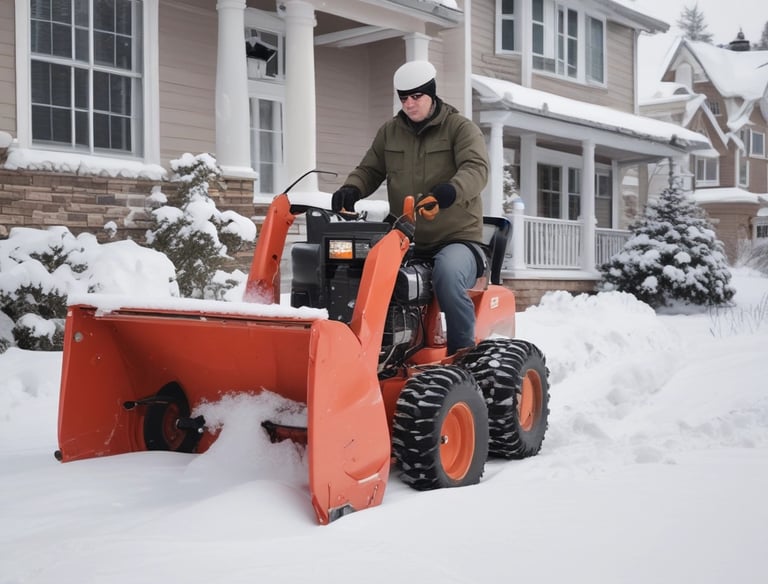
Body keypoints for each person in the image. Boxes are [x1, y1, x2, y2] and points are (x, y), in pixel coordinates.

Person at [331, 60, 489, 356]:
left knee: (447, 273)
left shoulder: (459, 128)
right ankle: (371, 354)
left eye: (416, 97)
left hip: (457, 238)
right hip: (406, 236)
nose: (409, 104)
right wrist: (351, 189)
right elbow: (369, 169)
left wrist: (450, 191)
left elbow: (477, 169)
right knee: (358, 271)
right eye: (404, 98)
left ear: (431, 94)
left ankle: (462, 356)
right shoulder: (390, 132)